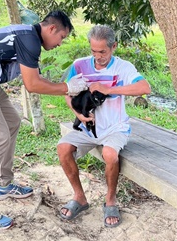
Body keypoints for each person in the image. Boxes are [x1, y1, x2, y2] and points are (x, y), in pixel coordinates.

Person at [0, 10, 88, 231]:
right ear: (51, 29)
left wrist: (67, 86)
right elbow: (32, 85)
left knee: (12, 121)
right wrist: (68, 87)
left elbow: (36, 78)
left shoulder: (27, 35)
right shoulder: (29, 39)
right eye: (61, 37)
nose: (60, 43)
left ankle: (3, 184)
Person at [57, 25, 151, 228]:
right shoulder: (79, 65)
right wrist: (78, 115)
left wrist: (107, 89)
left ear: (113, 46)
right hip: (87, 127)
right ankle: (79, 197)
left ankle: (110, 201)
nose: (98, 56)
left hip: (115, 127)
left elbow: (144, 88)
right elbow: (67, 92)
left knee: (110, 155)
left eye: (102, 52)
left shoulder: (123, 67)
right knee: (63, 148)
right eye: (93, 51)